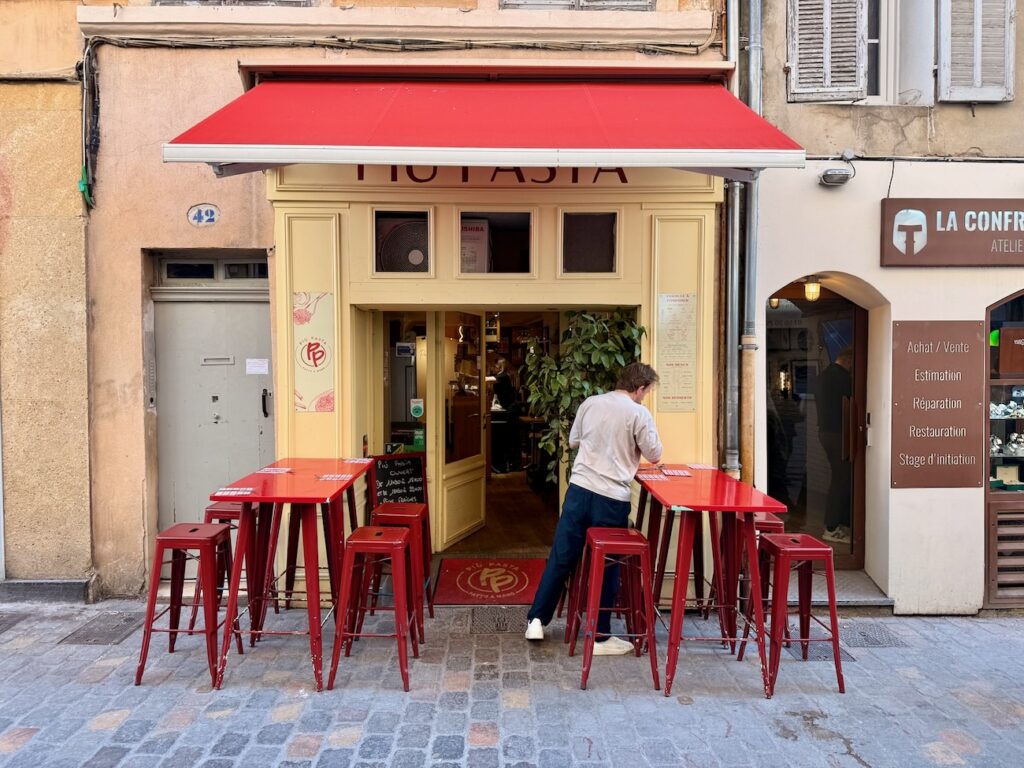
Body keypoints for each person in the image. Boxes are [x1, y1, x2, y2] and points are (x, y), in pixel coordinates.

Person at [525, 362, 663, 655]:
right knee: (609, 563)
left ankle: (536, 620)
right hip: (611, 497)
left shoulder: (591, 403)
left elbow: (574, 440)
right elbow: (654, 454)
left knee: (561, 556)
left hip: (579, 489)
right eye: (647, 392)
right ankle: (600, 635)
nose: (645, 397)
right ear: (639, 389)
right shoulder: (638, 413)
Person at [817, 348, 853, 544]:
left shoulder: (822, 376)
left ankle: (839, 523)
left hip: (824, 432)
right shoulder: (844, 379)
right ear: (848, 360)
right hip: (839, 434)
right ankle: (831, 527)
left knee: (840, 477)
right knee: (842, 479)